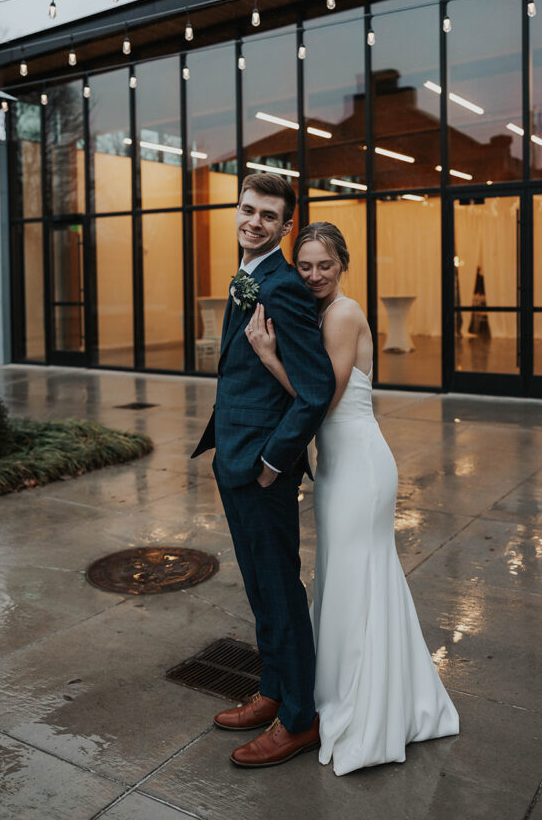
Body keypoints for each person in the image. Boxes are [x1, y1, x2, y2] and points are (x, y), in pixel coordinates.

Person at [245, 221, 460, 776]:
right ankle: (352, 692)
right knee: (349, 578)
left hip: (360, 467)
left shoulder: (342, 314)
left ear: (343, 265)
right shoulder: (317, 311)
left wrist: (270, 357)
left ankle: (365, 706)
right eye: (305, 266)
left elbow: (322, 400)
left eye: (326, 265)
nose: (315, 275)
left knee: (357, 578)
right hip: (339, 466)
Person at [191, 175, 336, 768]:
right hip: (235, 459)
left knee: (279, 590)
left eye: (268, 215)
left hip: (262, 469)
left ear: (285, 226)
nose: (254, 221)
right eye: (247, 209)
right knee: (258, 589)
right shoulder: (249, 276)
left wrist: (276, 464)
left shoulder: (282, 286)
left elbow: (316, 387)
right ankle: (272, 691)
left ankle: (299, 719)